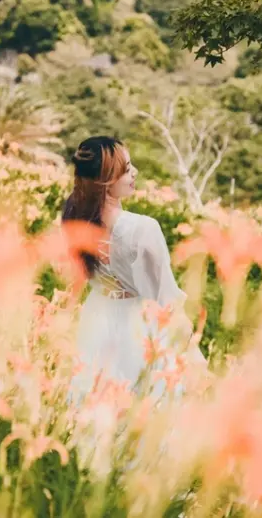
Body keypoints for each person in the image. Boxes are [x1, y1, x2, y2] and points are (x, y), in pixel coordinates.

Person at [61, 136, 206, 403]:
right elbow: (165, 297)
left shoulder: (74, 215)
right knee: (146, 406)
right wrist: (190, 346)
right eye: (127, 169)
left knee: (97, 404)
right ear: (105, 180)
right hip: (137, 325)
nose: (135, 172)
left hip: (97, 318)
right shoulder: (143, 228)